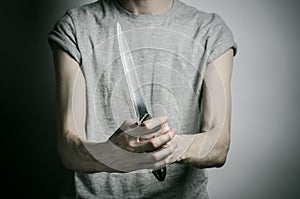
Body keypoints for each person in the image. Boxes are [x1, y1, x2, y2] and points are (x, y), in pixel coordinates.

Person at [48, 0, 237, 198]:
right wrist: (107, 155)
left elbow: (218, 146)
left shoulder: (211, 31)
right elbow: (68, 148)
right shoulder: (76, 26)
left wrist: (170, 148)